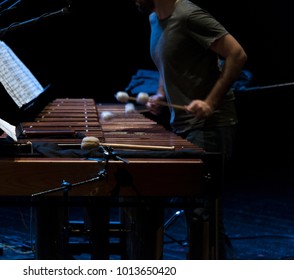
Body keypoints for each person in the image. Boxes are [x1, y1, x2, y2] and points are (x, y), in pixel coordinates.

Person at [128, 0, 248, 259]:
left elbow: (237, 54)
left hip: (210, 125)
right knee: (198, 211)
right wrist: (160, 95)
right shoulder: (154, 19)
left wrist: (210, 102)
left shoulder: (188, 15)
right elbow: (166, 62)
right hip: (181, 124)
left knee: (203, 213)